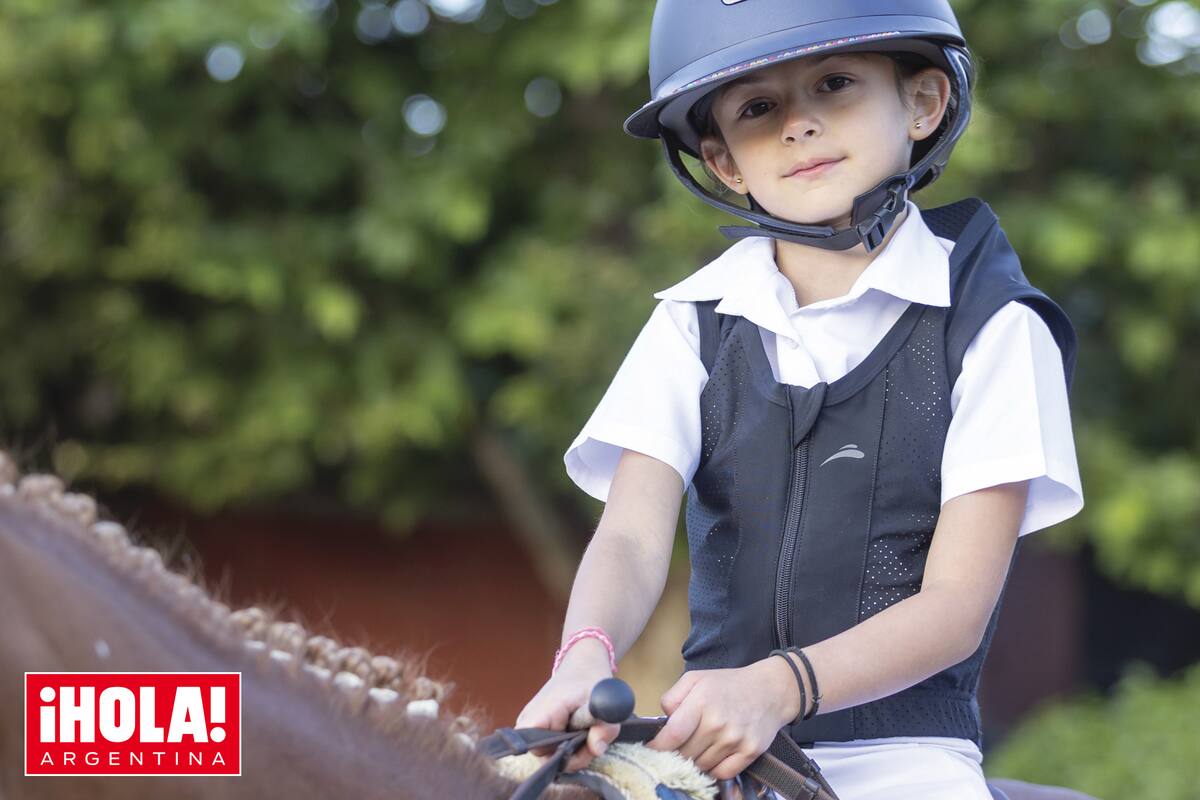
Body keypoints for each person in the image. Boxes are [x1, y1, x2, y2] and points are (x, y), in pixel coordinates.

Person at [516, 2, 1084, 798]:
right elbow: (634, 535)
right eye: (758, 108)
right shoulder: (691, 322)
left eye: (836, 84)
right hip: (705, 742)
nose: (799, 126)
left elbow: (957, 605)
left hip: (903, 757)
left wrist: (777, 688)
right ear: (724, 162)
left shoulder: (996, 326)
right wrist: (585, 651)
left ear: (923, 102)